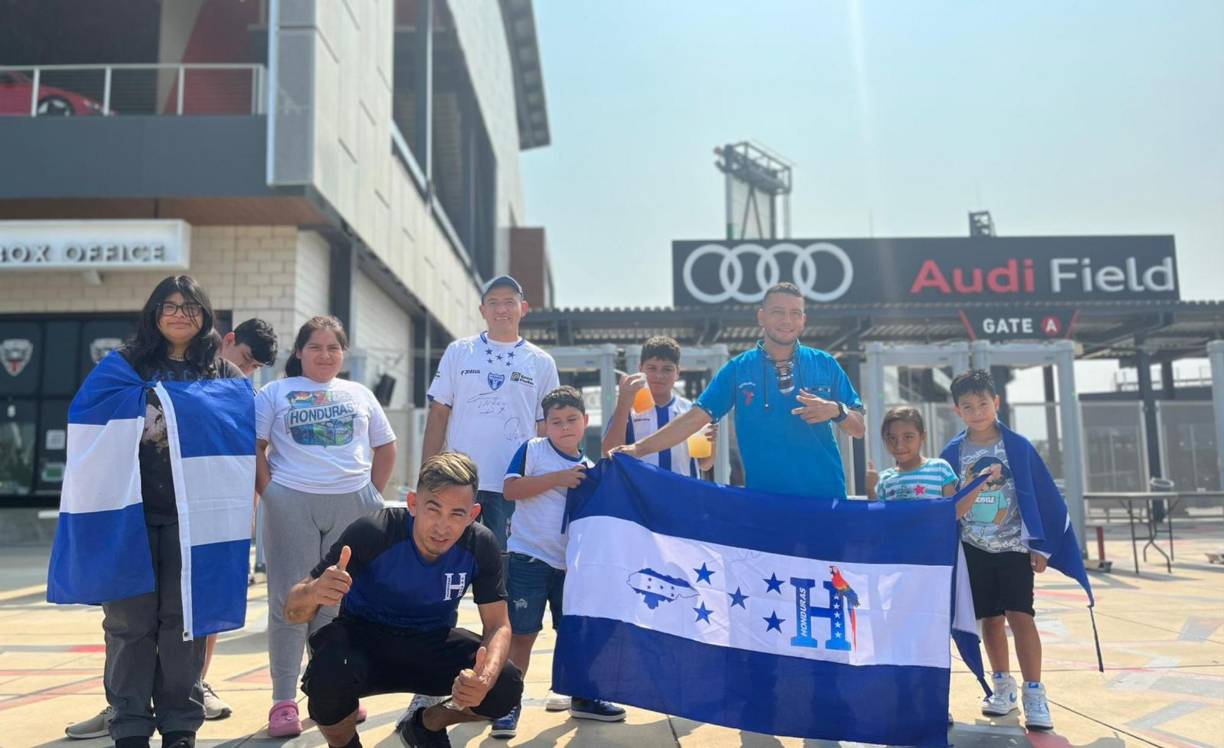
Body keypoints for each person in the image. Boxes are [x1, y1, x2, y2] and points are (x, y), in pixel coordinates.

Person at [64, 317, 280, 738]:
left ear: (203, 315)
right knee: (129, 623)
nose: (179, 315)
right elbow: (87, 418)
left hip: (194, 521)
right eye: (171, 306)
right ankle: (126, 719)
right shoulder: (127, 363)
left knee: (188, 620)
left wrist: (247, 506)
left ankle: (182, 720)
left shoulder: (224, 377)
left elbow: (239, 449)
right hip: (130, 517)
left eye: (189, 307)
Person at [286, 452, 523, 748]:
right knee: (326, 677)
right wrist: (314, 592)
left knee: (505, 684)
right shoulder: (374, 532)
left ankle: (426, 725)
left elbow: (498, 625)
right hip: (363, 642)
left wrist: (483, 680)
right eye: (433, 509)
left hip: (431, 642)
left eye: (456, 514)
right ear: (412, 504)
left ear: (473, 514)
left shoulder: (480, 544)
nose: (442, 526)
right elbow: (293, 611)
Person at [255, 316, 398, 737]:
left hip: (351, 501)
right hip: (291, 500)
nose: (324, 354)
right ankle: (283, 702)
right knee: (290, 600)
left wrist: (370, 494)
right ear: (299, 352)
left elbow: (385, 447)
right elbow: (256, 447)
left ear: (344, 353)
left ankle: (333, 695)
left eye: (333, 348)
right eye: (315, 347)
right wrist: (270, 493)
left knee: (338, 602)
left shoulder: (358, 393)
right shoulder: (274, 392)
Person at [614, 282, 865, 498]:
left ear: (803, 319)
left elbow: (858, 427)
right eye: (778, 312)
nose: (787, 320)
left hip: (825, 499)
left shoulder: (825, 363)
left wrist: (836, 410)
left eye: (795, 313)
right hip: (764, 502)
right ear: (761, 317)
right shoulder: (737, 370)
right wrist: (638, 449)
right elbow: (693, 419)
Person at [490, 386, 626, 739]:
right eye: (556, 421)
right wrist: (558, 479)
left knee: (575, 634)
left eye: (571, 420)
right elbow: (510, 490)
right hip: (528, 558)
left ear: (585, 422)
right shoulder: (532, 450)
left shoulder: (590, 467)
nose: (564, 427)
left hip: (572, 568)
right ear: (545, 425)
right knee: (522, 634)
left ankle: (583, 695)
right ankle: (507, 703)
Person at [939, 369, 1054, 730]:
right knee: (990, 619)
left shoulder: (1016, 445)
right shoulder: (953, 452)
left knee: (1021, 616)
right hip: (973, 548)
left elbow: (1041, 493)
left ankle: (1035, 692)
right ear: (957, 410)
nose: (977, 412)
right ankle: (1001, 687)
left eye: (983, 404)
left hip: (1014, 547)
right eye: (968, 406)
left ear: (997, 403)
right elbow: (946, 502)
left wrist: (1040, 544)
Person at [423, 275, 559, 551]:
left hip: (512, 484)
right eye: (494, 302)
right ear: (482, 310)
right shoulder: (460, 351)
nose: (501, 310)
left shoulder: (541, 362)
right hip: (459, 480)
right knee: (448, 560)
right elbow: (438, 414)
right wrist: (428, 475)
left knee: (503, 569)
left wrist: (542, 482)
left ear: (524, 308)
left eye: (509, 302)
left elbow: (547, 428)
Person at [601, 335, 716, 477]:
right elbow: (609, 454)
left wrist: (712, 443)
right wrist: (623, 403)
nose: (659, 375)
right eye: (652, 368)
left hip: (682, 495)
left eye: (667, 369)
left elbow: (704, 464)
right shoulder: (628, 409)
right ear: (640, 369)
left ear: (677, 373)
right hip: (642, 496)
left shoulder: (690, 410)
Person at [866, 406, 997, 515]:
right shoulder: (883, 479)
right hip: (898, 546)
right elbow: (877, 518)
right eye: (892, 438)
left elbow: (953, 511)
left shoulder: (940, 469)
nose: (899, 445)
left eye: (908, 437)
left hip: (934, 545)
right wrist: (871, 489)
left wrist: (977, 482)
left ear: (923, 436)